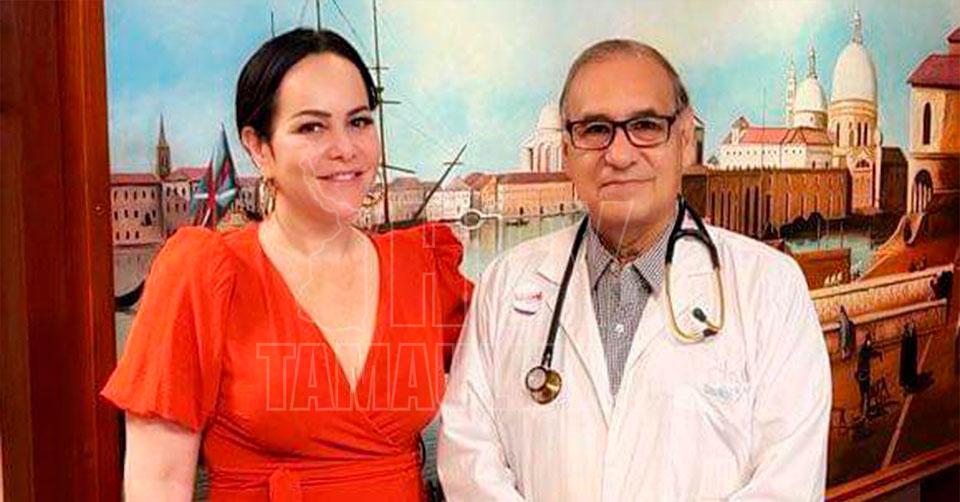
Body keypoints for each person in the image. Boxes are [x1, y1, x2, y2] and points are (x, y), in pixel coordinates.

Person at [438, 39, 831, 500]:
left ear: (684, 140)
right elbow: (469, 461)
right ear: (566, 151)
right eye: (594, 129)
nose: (620, 155)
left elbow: (787, 483)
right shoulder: (505, 284)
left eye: (645, 126)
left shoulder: (771, 288)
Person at [101, 28, 473, 501]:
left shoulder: (421, 268)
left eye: (359, 121)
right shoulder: (203, 272)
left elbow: (519, 380)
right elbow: (158, 482)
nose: (345, 148)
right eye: (312, 127)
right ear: (259, 147)